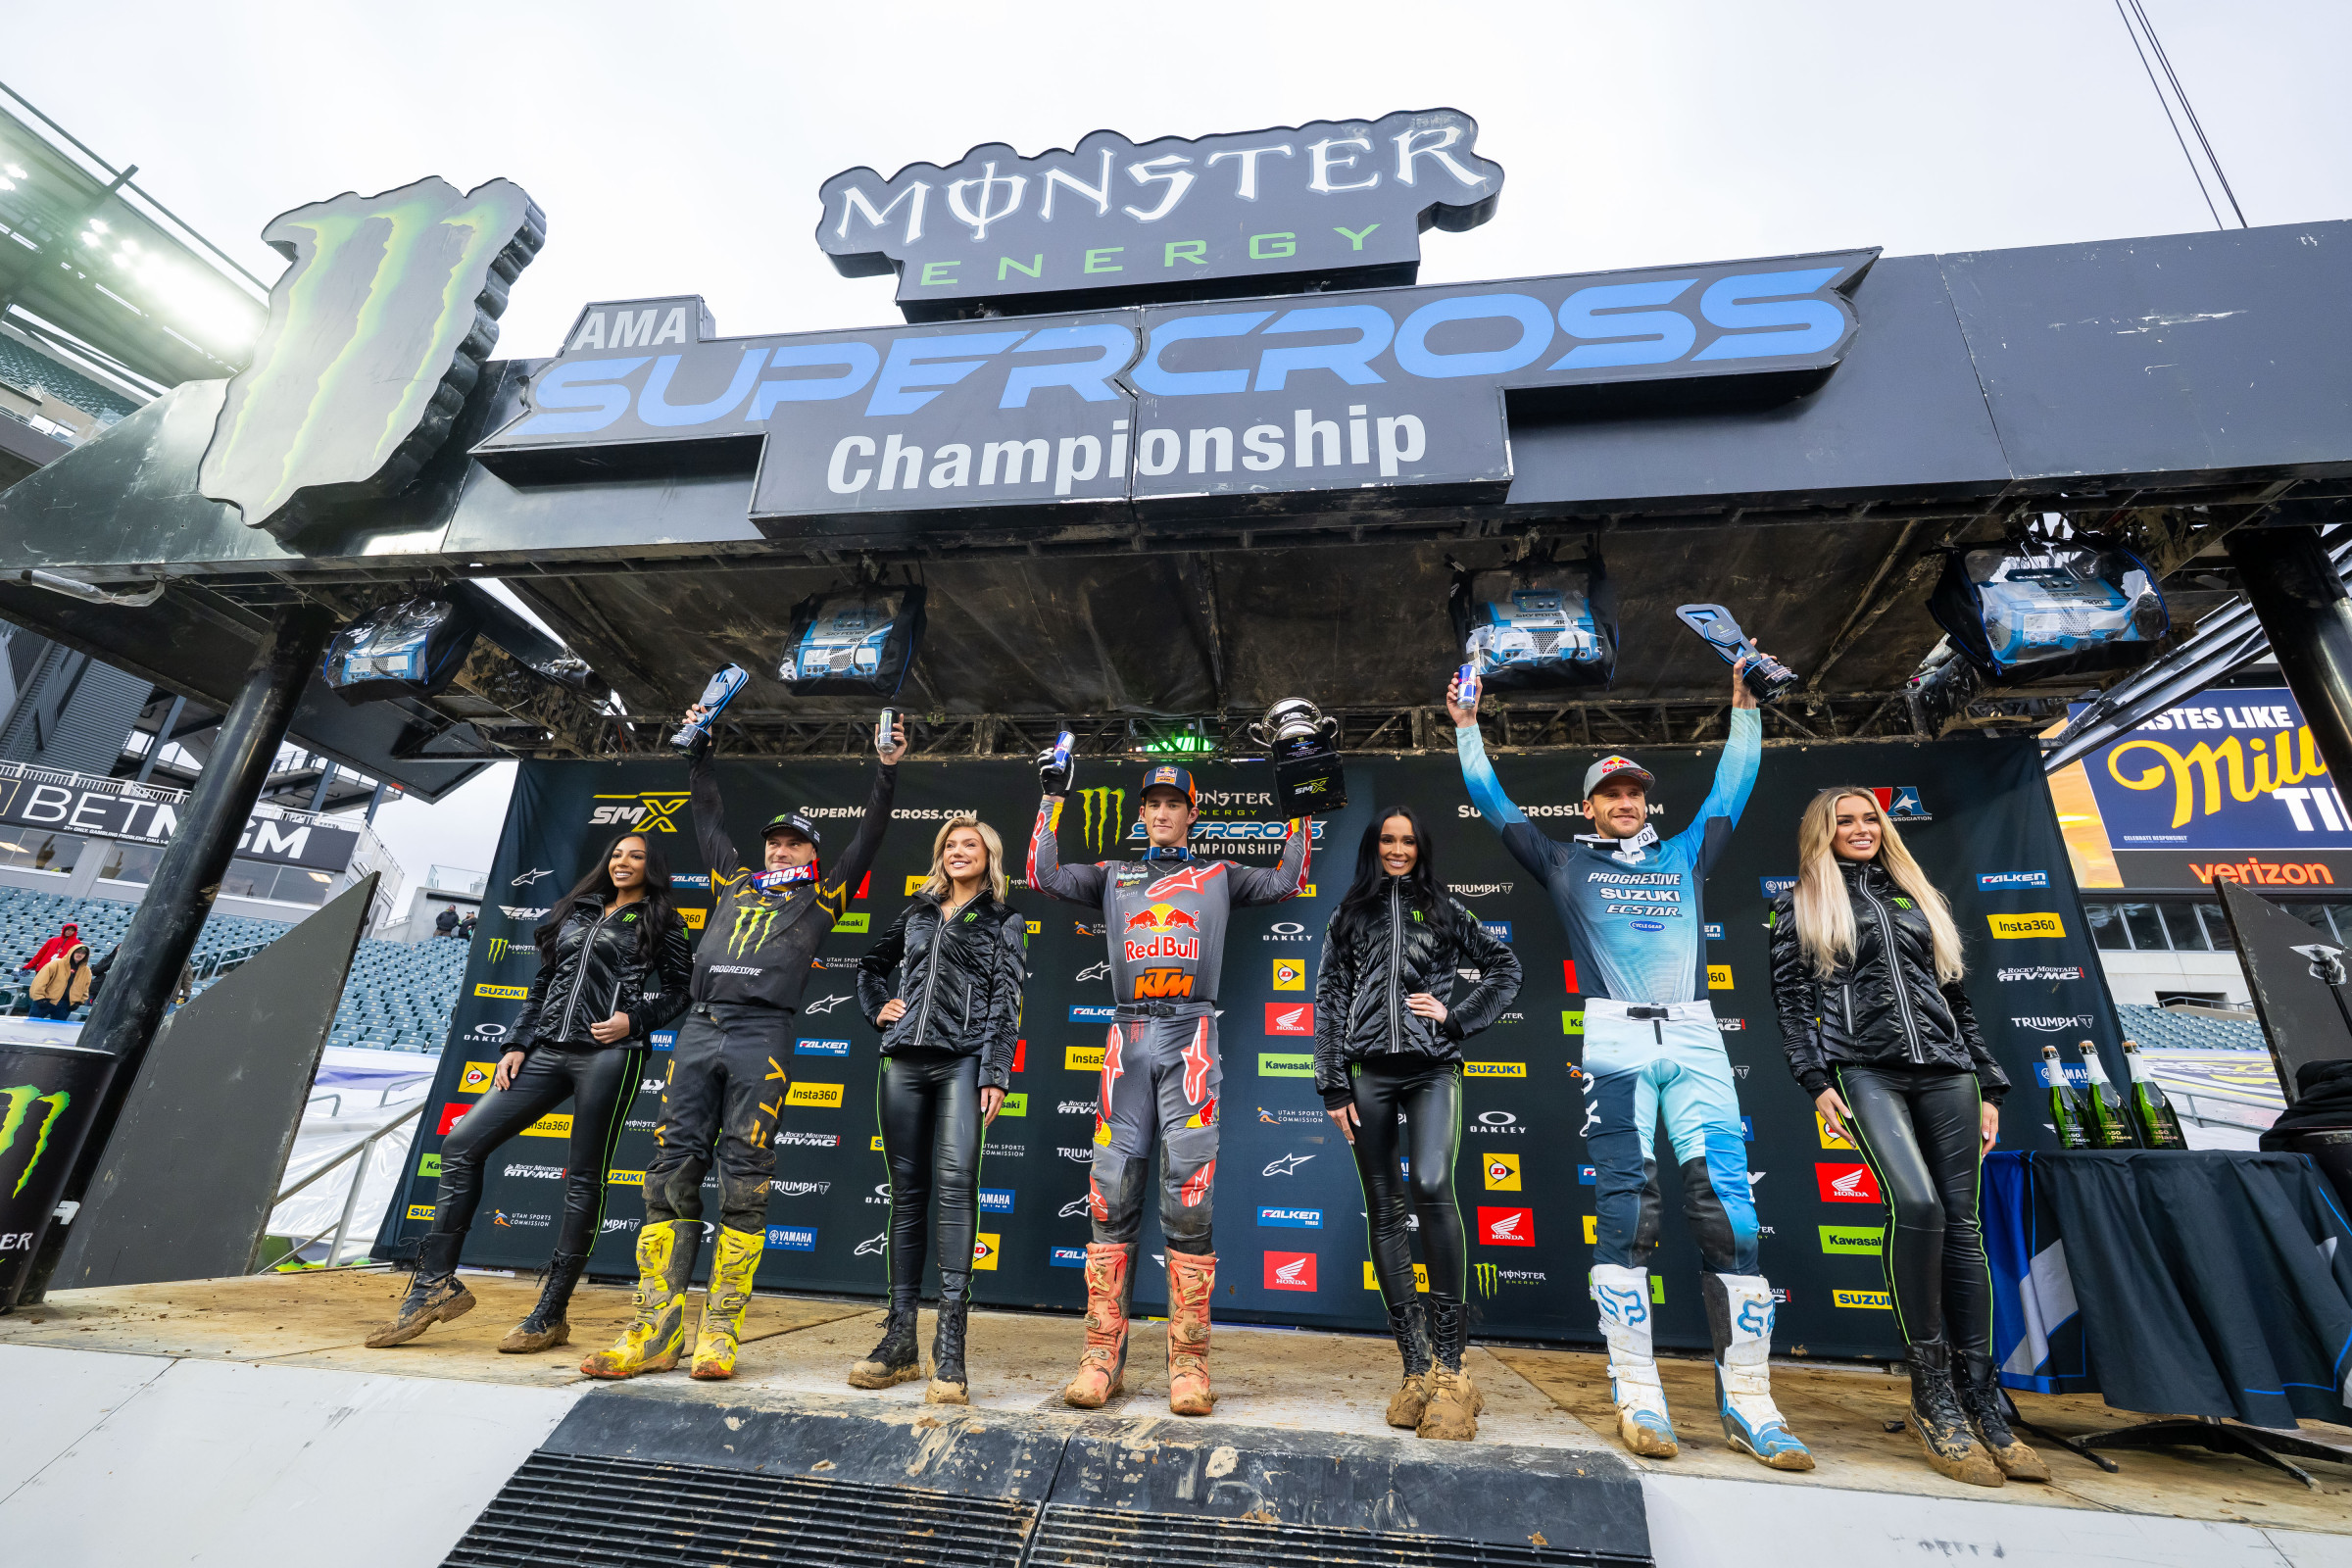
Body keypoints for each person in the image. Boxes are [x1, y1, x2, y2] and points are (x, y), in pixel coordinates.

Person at [1450, 652, 1813, 1471]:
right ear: (1589, 804)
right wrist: (1470, 730)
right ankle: (1637, 1390)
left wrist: (1743, 705)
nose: (1625, 802)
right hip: (1613, 1037)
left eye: (1636, 792)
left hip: (1692, 1034)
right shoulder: (1562, 861)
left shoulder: (1686, 854)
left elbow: (1735, 782)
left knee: (1731, 1217)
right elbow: (1492, 801)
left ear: (1648, 800)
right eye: (1611, 793)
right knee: (1629, 1214)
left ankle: (1751, 1402)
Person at [582, 703, 906, 1382]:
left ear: (813, 855)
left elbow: (870, 838)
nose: (780, 850)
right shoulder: (734, 880)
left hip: (763, 1032)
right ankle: (653, 1327)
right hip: (700, 1027)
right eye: (774, 842)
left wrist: (885, 773)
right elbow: (707, 817)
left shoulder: (825, 896)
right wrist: (697, 751)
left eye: (793, 843)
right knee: (668, 1172)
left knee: (745, 1179)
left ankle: (720, 1330)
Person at [1768, 788, 2043, 1486]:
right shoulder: (1798, 903)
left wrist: (1990, 1085)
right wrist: (1816, 1082)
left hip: (1950, 1075)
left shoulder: (1917, 896)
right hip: (1865, 1073)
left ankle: (1979, 1397)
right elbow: (1793, 1006)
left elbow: (1956, 1001)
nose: (1860, 830)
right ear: (1821, 834)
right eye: (1844, 821)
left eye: (1869, 820)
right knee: (1916, 1208)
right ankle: (1931, 1396)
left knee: (1963, 1226)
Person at [1028, 759, 1311, 1415]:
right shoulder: (1113, 874)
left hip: (1191, 1037)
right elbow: (1042, 875)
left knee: (1189, 1203)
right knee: (1108, 1199)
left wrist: (1299, 803)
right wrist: (1051, 798)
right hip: (1126, 1041)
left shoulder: (1218, 874)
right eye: (1152, 804)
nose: (1161, 813)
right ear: (1142, 814)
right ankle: (1102, 1358)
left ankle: (1189, 1363)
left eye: (1172, 804)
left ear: (1192, 812)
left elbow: (1291, 877)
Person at [368, 832, 692, 1352]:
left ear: (652, 867)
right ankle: (434, 1285)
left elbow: (681, 988)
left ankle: (550, 1313)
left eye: (636, 856)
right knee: (460, 1144)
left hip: (611, 1056)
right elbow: (545, 982)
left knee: (585, 1177)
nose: (623, 862)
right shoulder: (579, 910)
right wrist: (518, 1042)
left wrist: (635, 1019)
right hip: (546, 1051)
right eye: (616, 854)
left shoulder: (661, 921)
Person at [1314, 806, 1522, 1442]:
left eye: (1408, 839)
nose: (1398, 849)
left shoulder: (1446, 910)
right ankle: (1414, 1370)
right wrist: (1330, 1083)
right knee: (1383, 1210)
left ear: (1420, 847)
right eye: (1388, 839)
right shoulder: (1349, 916)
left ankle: (1452, 1370)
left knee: (1432, 1187)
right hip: (1370, 1074)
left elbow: (1505, 968)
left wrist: (1456, 1017)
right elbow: (1327, 999)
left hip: (1433, 1070)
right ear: (1374, 848)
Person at [848, 816, 1026, 1404]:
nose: (957, 852)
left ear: (989, 855)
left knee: (954, 1185)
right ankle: (900, 1340)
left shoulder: (1003, 919)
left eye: (969, 844)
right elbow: (869, 965)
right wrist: (878, 1009)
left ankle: (950, 1351)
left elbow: (1007, 999)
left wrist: (997, 1072)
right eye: (949, 845)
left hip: (963, 1063)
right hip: (903, 1063)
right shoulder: (918, 912)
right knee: (906, 1194)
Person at [27, 941, 90, 1019]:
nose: (80, 954)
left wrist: (78, 1002)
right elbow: (40, 981)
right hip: (45, 1001)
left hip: (65, 1005)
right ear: (72, 952)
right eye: (77, 952)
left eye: (83, 953)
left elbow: (85, 988)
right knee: (32, 1026)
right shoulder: (55, 964)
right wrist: (40, 998)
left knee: (57, 1031)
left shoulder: (86, 971)